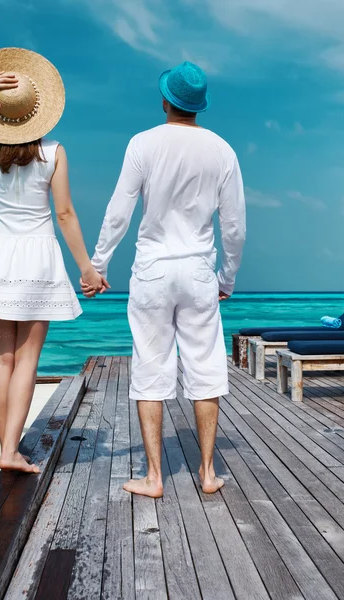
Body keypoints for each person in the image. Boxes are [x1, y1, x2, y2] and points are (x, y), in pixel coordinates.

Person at [0, 48, 108, 474]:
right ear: (39, 112)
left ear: (0, 114)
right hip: (37, 257)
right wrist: (86, 267)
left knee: (2, 358)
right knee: (28, 359)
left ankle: (6, 447)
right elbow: (65, 214)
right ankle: (11, 451)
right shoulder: (54, 153)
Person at [83, 61, 246, 497]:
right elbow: (234, 226)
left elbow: (119, 210)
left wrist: (99, 265)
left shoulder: (143, 143)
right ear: (200, 106)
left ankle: (154, 477)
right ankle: (208, 473)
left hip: (153, 269)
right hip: (197, 270)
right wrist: (226, 276)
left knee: (151, 365)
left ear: (165, 100)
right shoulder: (222, 150)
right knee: (205, 364)